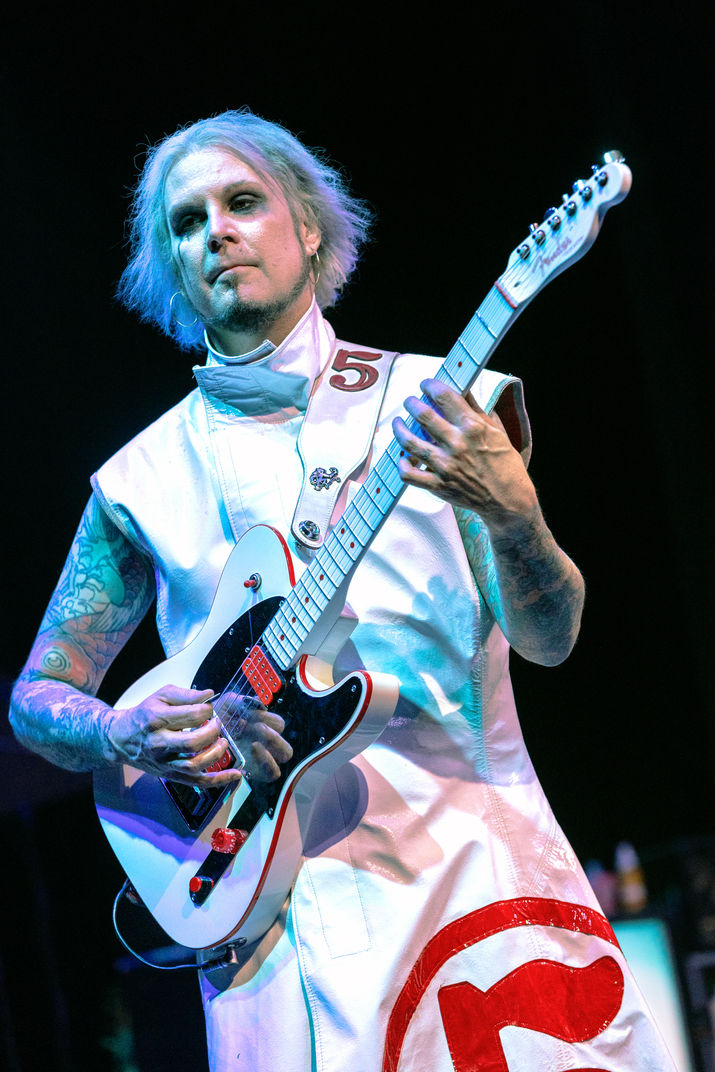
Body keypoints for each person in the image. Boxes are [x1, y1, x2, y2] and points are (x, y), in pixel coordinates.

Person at [10, 110, 676, 1071]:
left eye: (243, 202)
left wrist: (514, 515)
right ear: (172, 268)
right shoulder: (139, 482)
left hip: (476, 889)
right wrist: (120, 732)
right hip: (262, 935)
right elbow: (37, 695)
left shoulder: (438, 405)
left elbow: (551, 638)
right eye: (187, 223)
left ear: (311, 228)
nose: (216, 233)